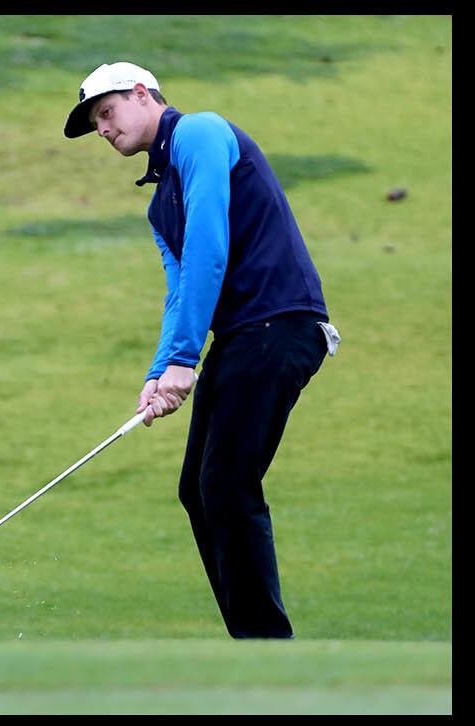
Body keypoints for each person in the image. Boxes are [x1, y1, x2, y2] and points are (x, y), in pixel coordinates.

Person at [63, 62, 340, 639]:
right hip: (244, 337)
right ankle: (254, 642)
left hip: (281, 323)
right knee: (199, 490)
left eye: (107, 113)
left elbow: (211, 248)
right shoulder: (158, 204)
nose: (105, 130)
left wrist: (185, 360)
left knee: (228, 487)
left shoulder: (200, 133)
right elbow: (181, 289)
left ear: (142, 94)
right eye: (97, 125)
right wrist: (160, 370)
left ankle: (269, 650)